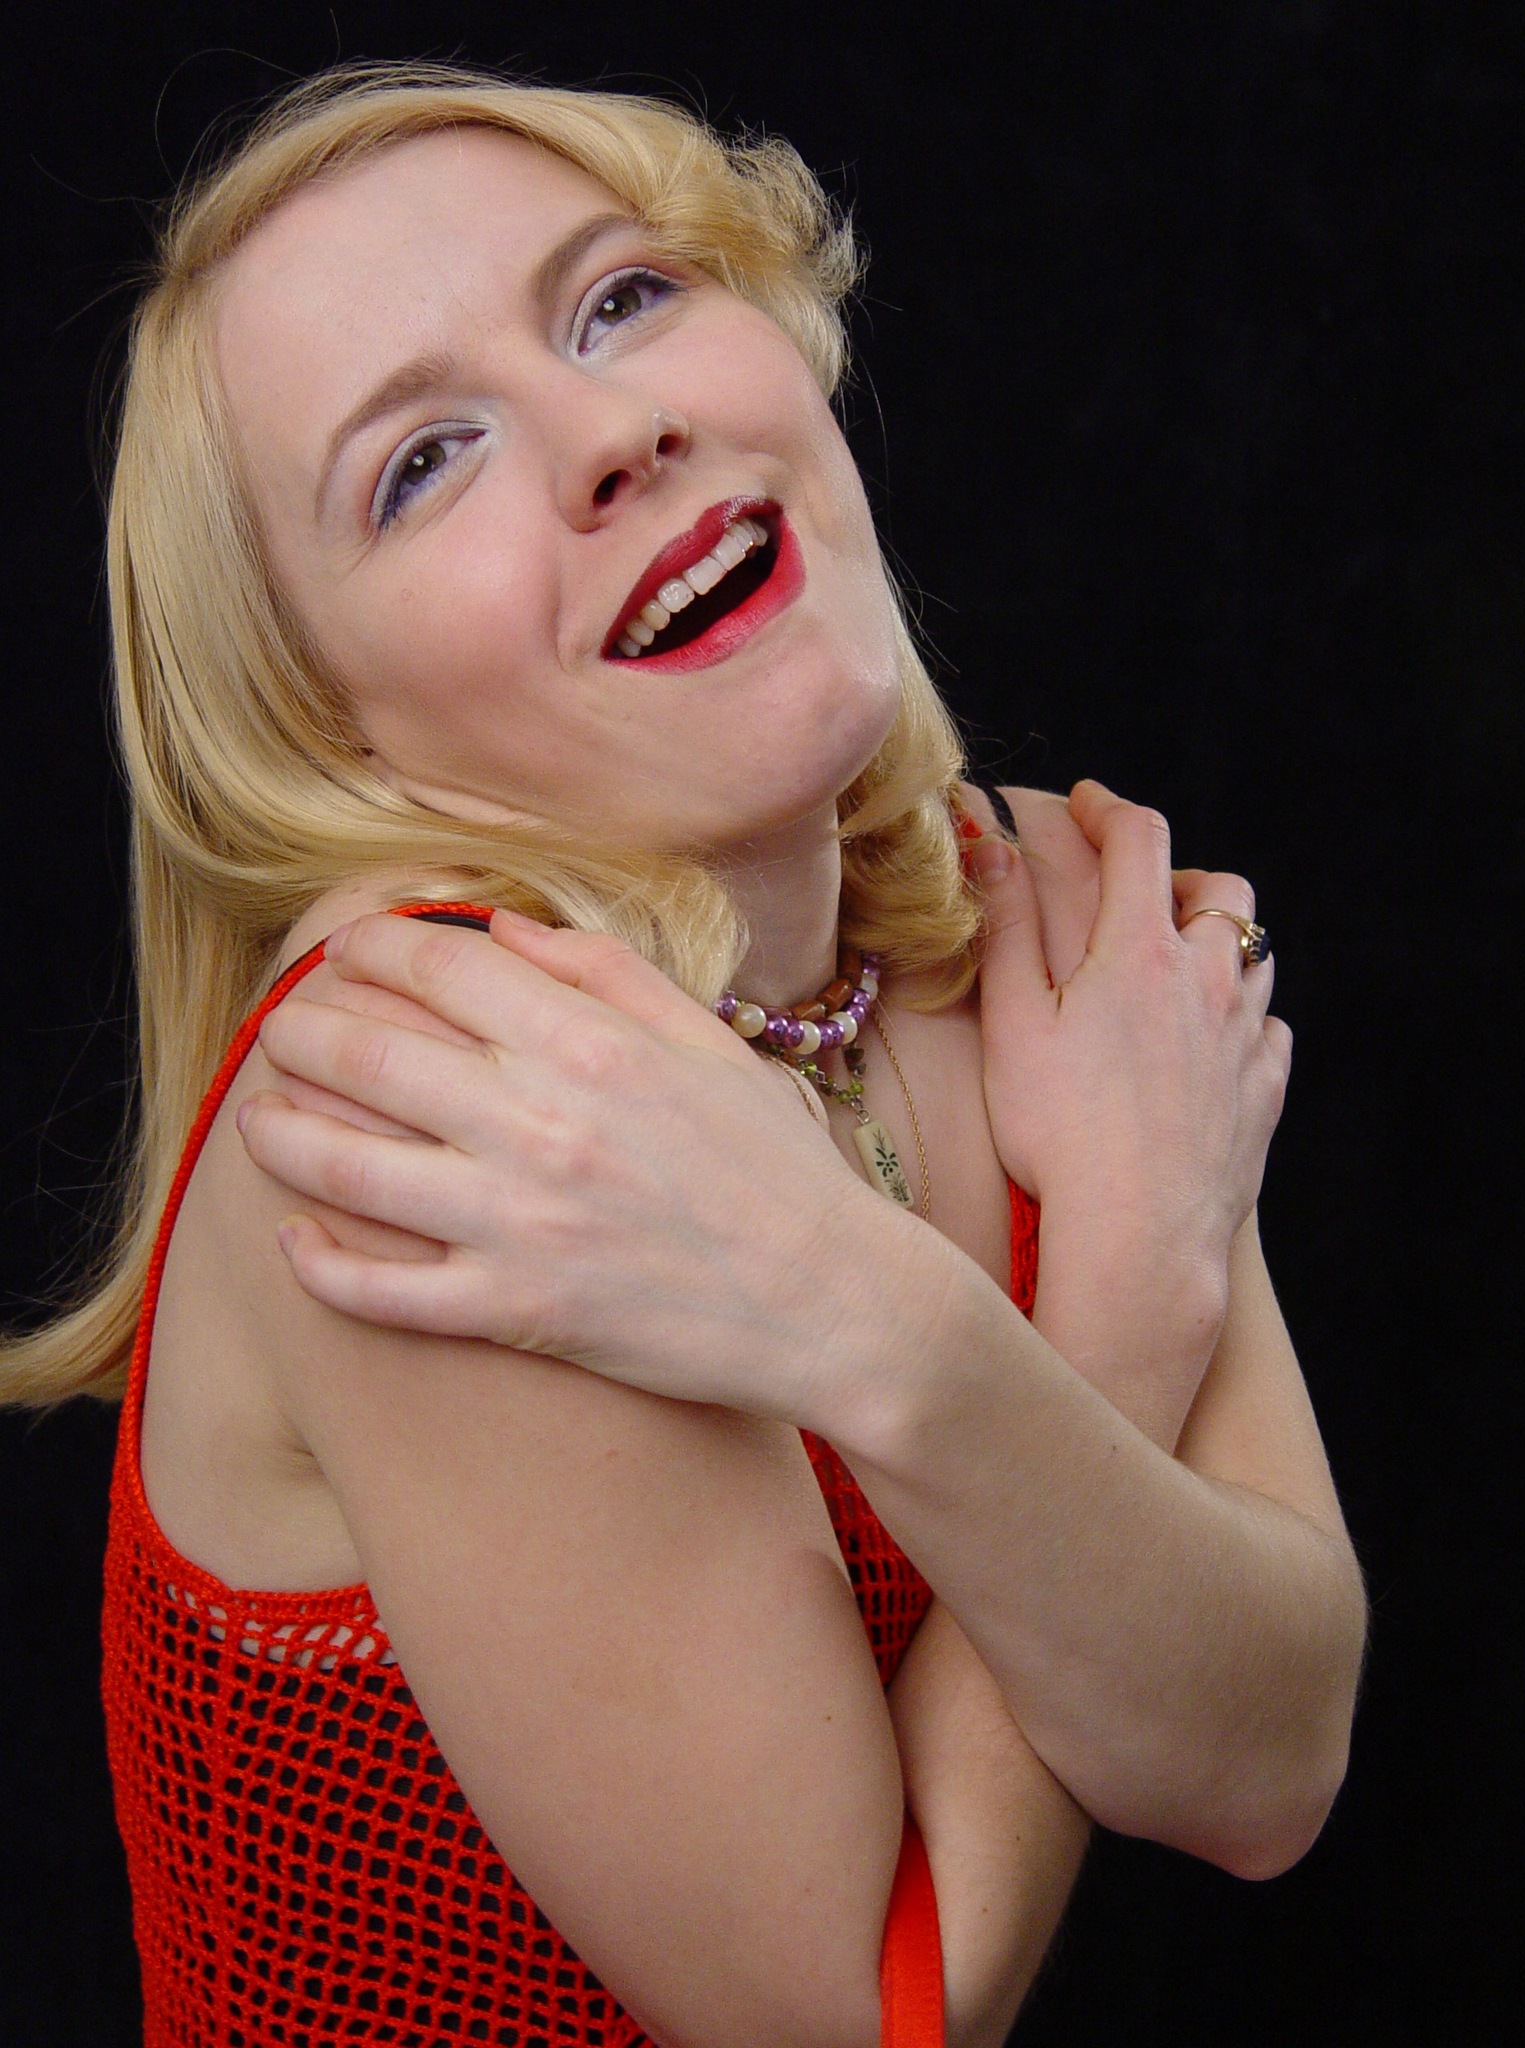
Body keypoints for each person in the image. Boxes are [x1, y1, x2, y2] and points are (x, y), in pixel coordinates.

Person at [0, 61, 1365, 2048]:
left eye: (621, 298)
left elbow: (1273, 1755)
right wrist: (1110, 1292)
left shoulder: (1011, 907)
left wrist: (1014, 1304)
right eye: (422, 462)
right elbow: (866, 2020)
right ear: (332, 729)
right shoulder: (430, 1088)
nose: (611, 430)